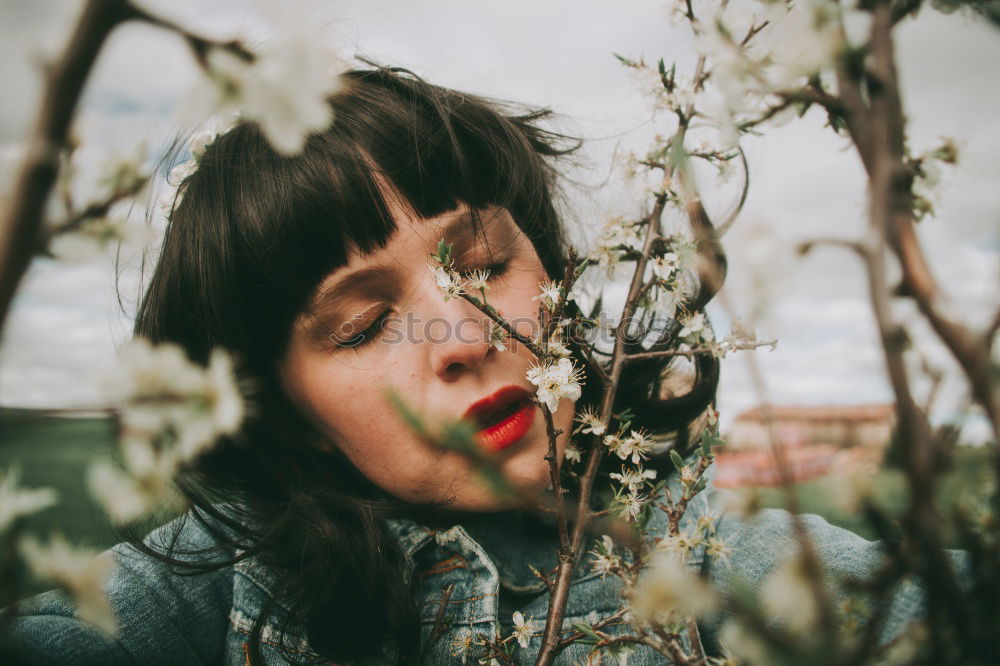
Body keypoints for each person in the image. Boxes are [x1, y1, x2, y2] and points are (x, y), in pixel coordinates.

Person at [5, 66, 965, 666]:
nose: (463, 336)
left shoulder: (688, 541)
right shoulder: (216, 594)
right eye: (364, 323)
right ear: (285, 411)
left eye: (483, 266)